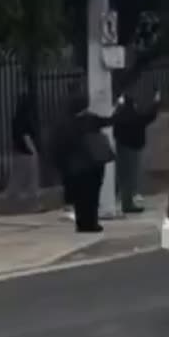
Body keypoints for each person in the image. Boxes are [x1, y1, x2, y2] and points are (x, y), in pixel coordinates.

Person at [50, 93, 115, 233]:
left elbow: (58, 146)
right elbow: (110, 120)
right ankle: (92, 223)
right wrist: (119, 106)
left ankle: (81, 224)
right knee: (92, 196)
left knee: (80, 198)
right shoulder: (90, 120)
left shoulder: (65, 124)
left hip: (75, 167)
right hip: (92, 164)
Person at [113, 87, 160, 214]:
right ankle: (128, 204)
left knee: (123, 177)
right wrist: (156, 102)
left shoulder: (119, 116)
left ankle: (124, 201)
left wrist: (117, 105)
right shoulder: (135, 116)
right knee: (131, 177)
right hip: (133, 149)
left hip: (121, 149)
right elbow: (149, 116)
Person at [5, 91, 40, 208]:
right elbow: (26, 135)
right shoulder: (26, 117)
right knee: (32, 177)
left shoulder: (16, 118)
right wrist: (33, 150)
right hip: (27, 151)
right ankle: (33, 201)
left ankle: (11, 196)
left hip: (18, 150)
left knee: (16, 176)